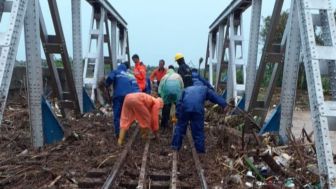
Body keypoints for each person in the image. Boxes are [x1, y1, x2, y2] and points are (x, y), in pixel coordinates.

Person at [171, 85, 228, 153]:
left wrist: (178, 114)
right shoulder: (205, 89)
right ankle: (200, 151)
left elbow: (179, 101)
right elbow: (214, 97)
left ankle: (175, 146)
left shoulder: (187, 89)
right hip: (197, 109)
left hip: (185, 108)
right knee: (198, 131)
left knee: (180, 127)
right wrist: (224, 104)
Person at [104, 63, 140, 137]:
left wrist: (106, 84)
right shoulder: (128, 75)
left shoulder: (116, 71)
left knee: (117, 114)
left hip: (118, 96)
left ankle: (118, 133)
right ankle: (125, 131)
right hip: (128, 97)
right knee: (125, 114)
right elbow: (134, 87)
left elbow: (110, 79)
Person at [158, 65, 184, 130]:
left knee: (166, 108)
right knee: (178, 107)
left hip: (166, 94)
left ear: (168, 70)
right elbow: (182, 87)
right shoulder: (178, 76)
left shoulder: (164, 77)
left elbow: (160, 88)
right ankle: (180, 123)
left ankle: (164, 124)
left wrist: (161, 96)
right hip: (176, 93)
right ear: (174, 69)